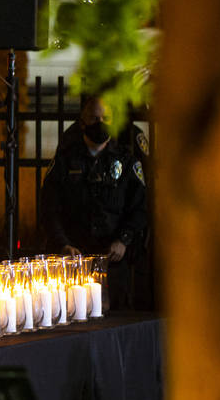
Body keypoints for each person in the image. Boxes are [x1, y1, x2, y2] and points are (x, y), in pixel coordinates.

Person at [41, 95, 147, 308]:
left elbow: (140, 208)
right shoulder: (65, 160)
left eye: (105, 118)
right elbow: (49, 208)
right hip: (75, 261)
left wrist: (124, 240)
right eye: (94, 118)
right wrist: (63, 244)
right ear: (82, 122)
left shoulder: (126, 162)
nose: (100, 124)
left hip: (114, 262)